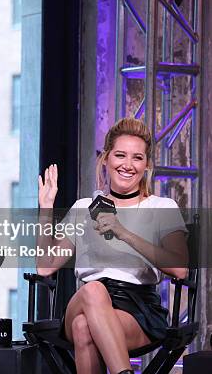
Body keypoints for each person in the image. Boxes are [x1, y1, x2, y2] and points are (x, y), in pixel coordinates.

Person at [36, 117, 188, 374]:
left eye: (137, 158)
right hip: (85, 299)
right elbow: (45, 267)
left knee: (83, 328)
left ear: (147, 165)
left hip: (138, 308)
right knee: (94, 291)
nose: (128, 165)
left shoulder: (161, 207)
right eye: (120, 155)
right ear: (106, 158)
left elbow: (180, 269)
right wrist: (46, 208)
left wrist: (123, 232)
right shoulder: (84, 208)